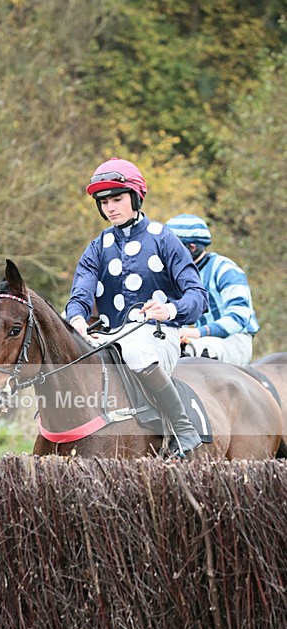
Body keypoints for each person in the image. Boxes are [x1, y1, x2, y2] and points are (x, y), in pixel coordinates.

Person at [65, 157, 208, 457]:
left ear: (135, 197)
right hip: (110, 335)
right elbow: (80, 293)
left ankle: (183, 430)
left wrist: (169, 310)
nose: (110, 207)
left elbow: (197, 296)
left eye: (117, 199)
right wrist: (76, 318)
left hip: (157, 337)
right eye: (104, 202)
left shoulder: (164, 239)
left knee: (136, 350)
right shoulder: (96, 248)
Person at [164, 214, 259, 365]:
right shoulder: (173, 275)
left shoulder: (225, 270)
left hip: (233, 340)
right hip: (195, 339)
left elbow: (239, 317)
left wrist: (197, 333)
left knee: (190, 351)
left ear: (192, 248)